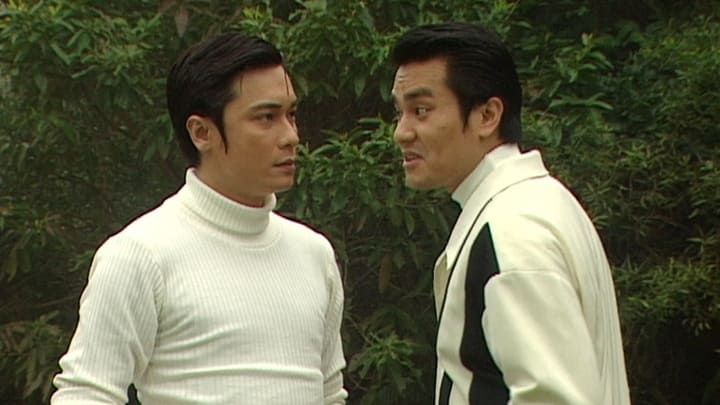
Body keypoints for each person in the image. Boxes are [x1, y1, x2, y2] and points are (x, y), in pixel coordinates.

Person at [52, 32, 347, 405]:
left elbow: (329, 395)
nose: (290, 136)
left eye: (291, 115)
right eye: (266, 117)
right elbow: (85, 394)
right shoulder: (140, 254)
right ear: (201, 132)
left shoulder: (314, 254)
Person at [390, 22, 631, 405]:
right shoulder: (539, 203)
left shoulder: (512, 231)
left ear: (487, 115)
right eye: (400, 112)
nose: (402, 132)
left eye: (421, 110)